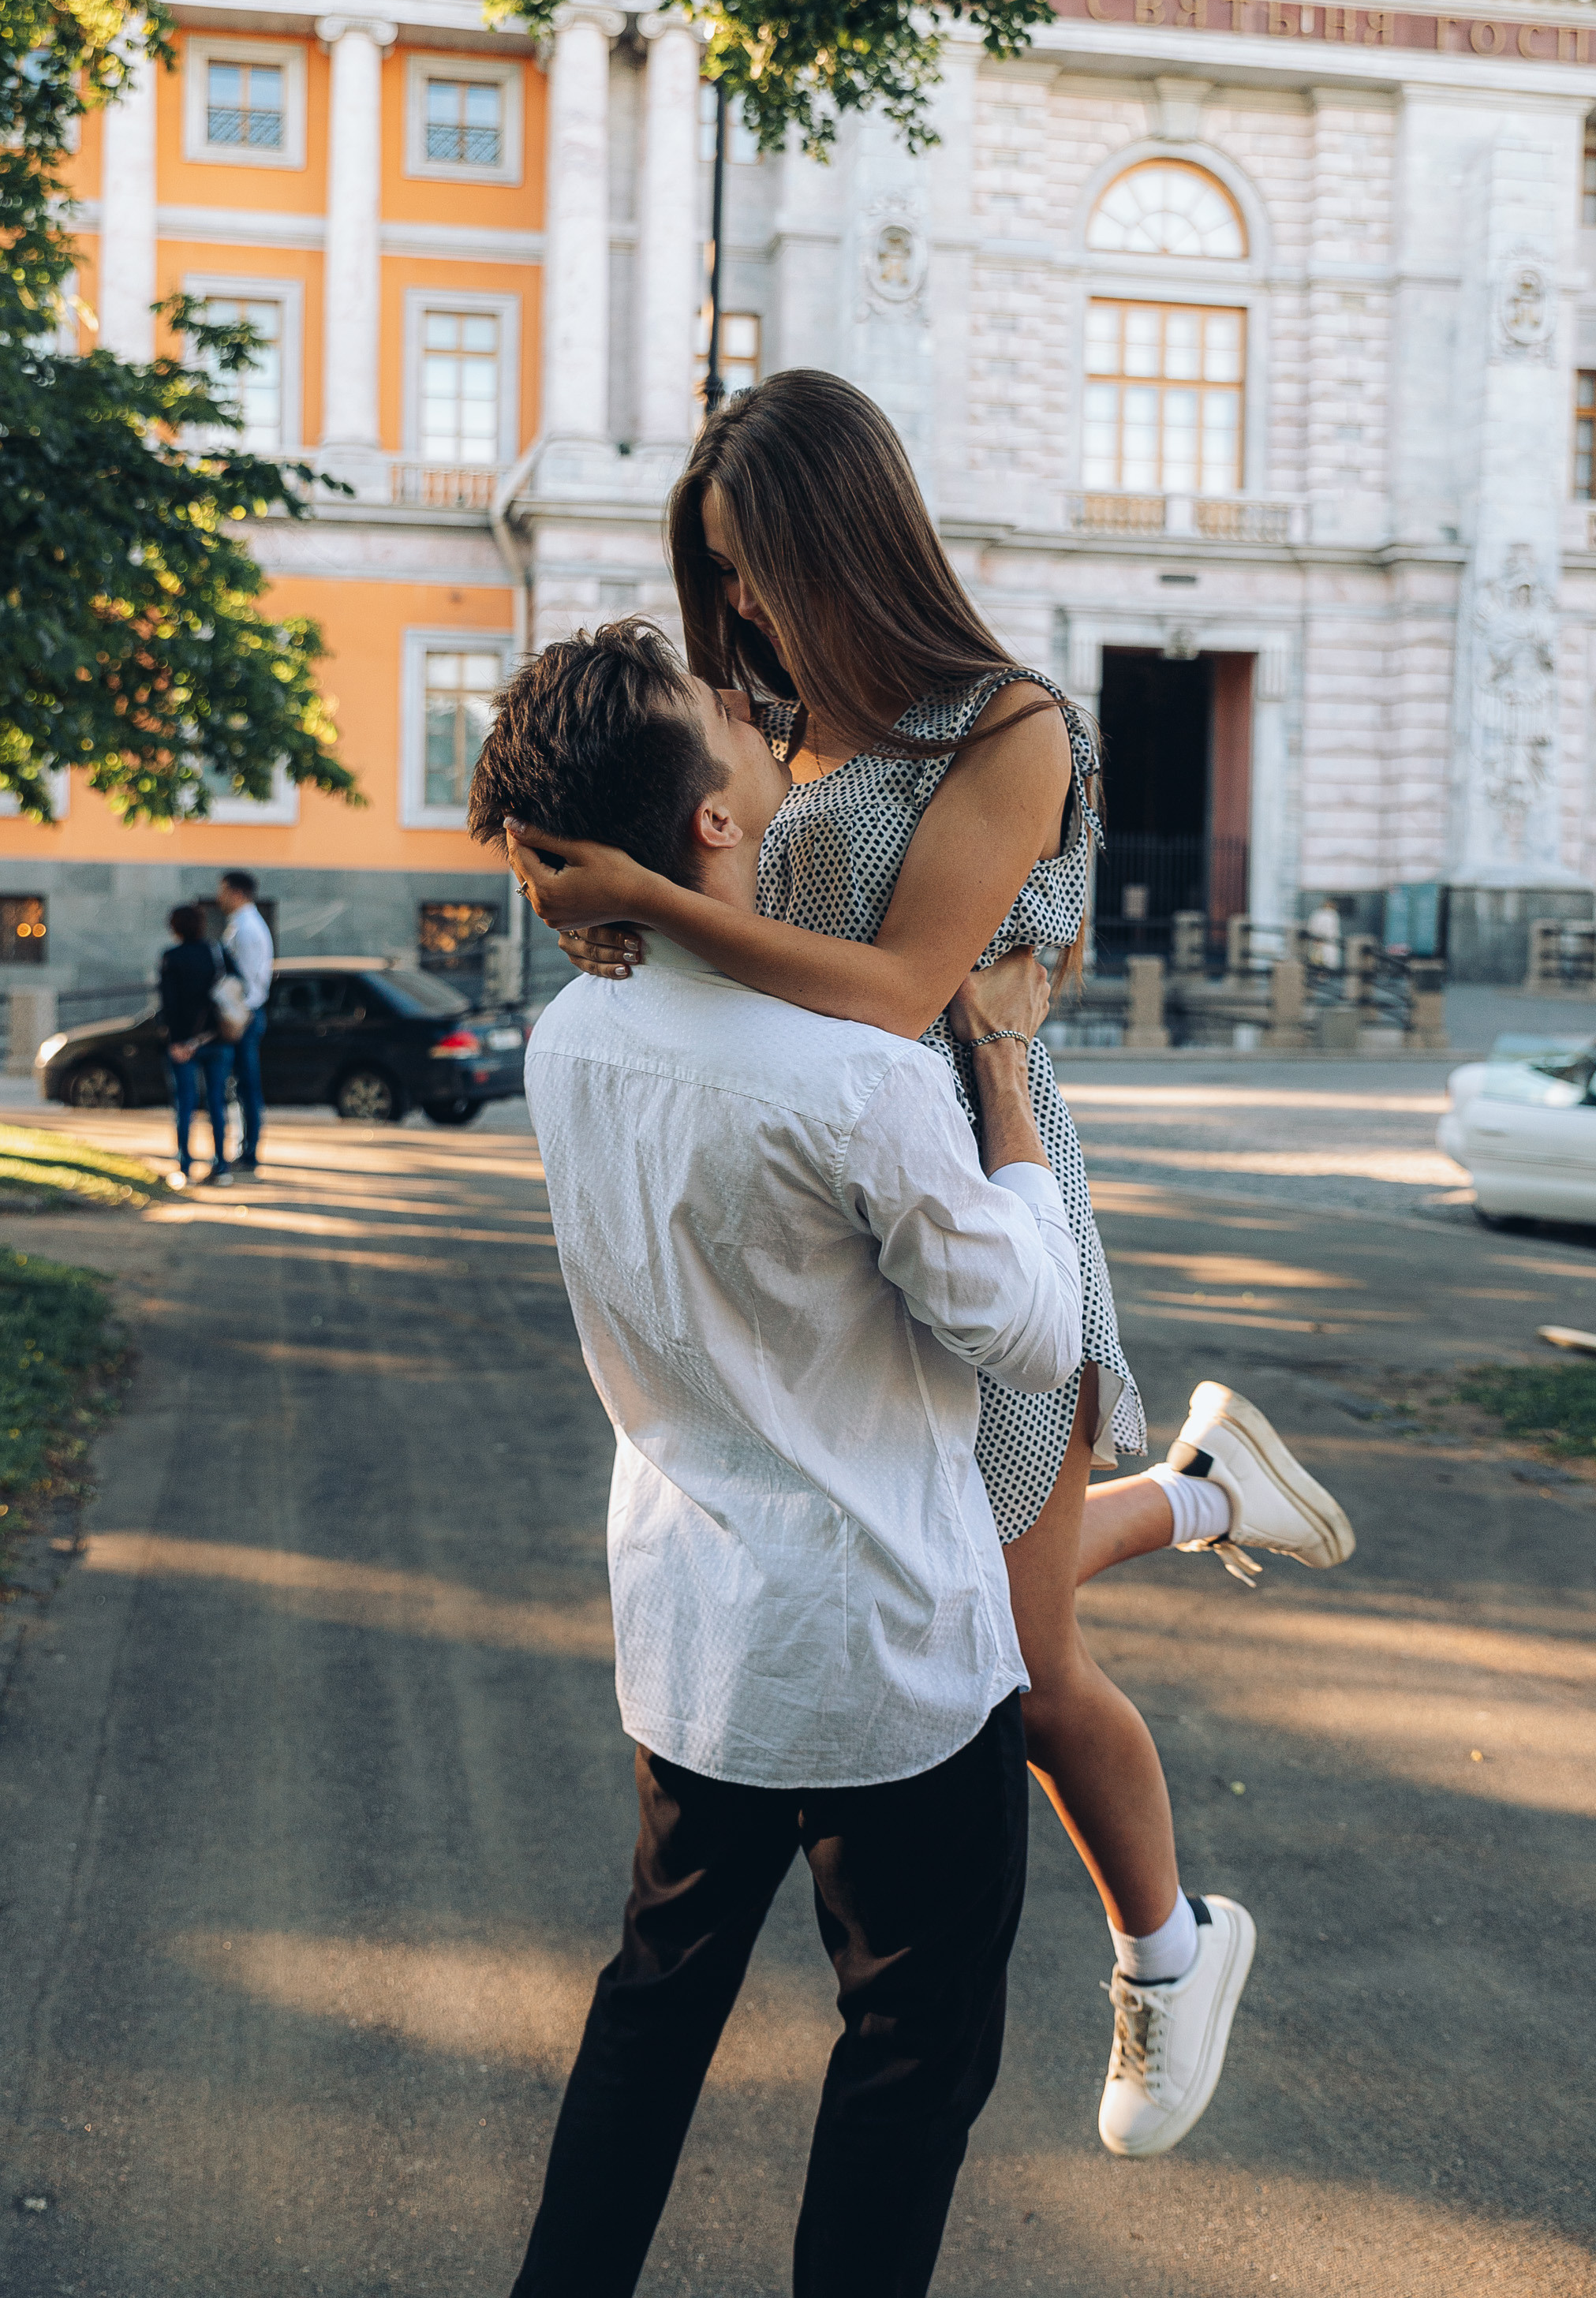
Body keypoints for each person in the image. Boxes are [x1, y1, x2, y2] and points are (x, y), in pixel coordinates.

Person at [505, 372, 1354, 2158]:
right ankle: (1200, 1495)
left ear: (840, 538)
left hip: (980, 1190)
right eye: (713, 578)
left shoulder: (1010, 726)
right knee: (962, 1592)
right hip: (816, 1218)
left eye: (750, 566)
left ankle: (1173, 1947)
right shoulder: (766, 714)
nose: (732, 611)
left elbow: (904, 998)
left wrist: (657, 905)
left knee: (1021, 1667)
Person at [470, 621, 1249, 2298]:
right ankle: (1198, 1499)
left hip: (693, 1643)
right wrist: (995, 1061)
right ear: (708, 824)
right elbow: (1036, 1331)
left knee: (652, 2007)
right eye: (723, 724)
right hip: (890, 1658)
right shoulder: (854, 1080)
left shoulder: (564, 1048)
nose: (760, 724)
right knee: (906, 2059)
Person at [159, 905, 232, 1188]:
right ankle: (222, 1167)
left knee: (185, 1104)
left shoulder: (172, 957)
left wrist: (177, 1042)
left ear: (175, 927)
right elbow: (234, 988)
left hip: (183, 1043)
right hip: (217, 1038)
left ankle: (185, 1168)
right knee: (217, 1103)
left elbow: (169, 1004)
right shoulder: (217, 953)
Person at [218, 869, 273, 1175]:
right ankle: (246, 1148)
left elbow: (249, 980)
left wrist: (239, 1015)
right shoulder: (245, 924)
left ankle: (249, 1151)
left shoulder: (247, 928)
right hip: (246, 1013)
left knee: (247, 1085)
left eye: (223, 890)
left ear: (235, 892)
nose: (219, 897)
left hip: (245, 1015)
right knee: (242, 1086)